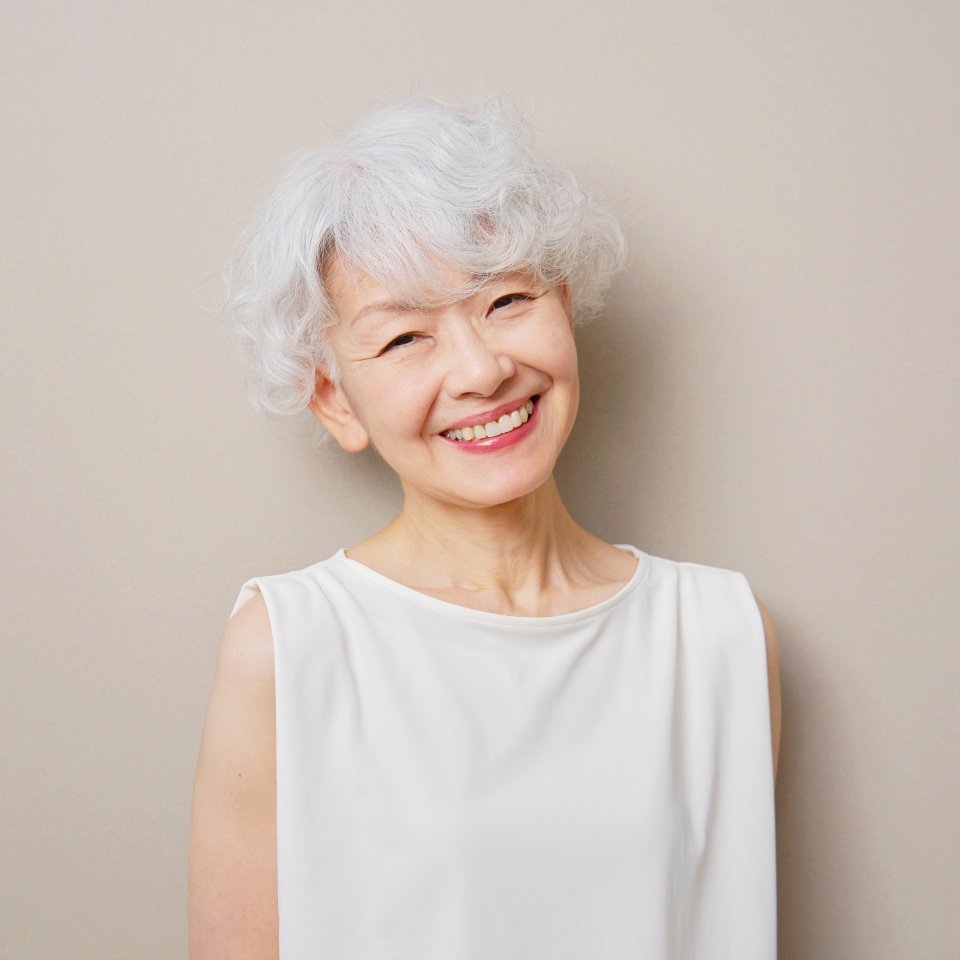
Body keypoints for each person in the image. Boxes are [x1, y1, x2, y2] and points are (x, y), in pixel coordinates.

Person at [188, 94, 781, 960]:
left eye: (505, 300)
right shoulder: (288, 647)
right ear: (331, 400)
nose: (481, 369)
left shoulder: (722, 636)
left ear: (564, 304)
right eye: (403, 340)